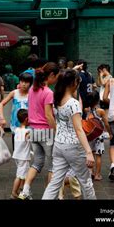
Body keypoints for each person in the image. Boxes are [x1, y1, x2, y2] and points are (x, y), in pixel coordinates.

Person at [42, 69, 96, 200]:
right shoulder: (73, 103)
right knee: (86, 182)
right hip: (73, 146)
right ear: (73, 83)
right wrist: (89, 152)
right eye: (78, 82)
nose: (79, 84)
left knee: (54, 183)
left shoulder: (57, 100)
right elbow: (78, 129)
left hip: (59, 145)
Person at [18, 62, 59, 200]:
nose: (57, 79)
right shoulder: (48, 92)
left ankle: (25, 191)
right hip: (46, 132)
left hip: (33, 130)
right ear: (51, 75)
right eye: (56, 76)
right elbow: (48, 115)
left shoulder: (31, 90)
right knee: (53, 165)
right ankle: (49, 196)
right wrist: (56, 131)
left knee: (37, 163)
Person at [0, 72, 33, 149]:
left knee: (25, 149)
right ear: (19, 82)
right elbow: (1, 104)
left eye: (26, 82)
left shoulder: (32, 94)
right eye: (22, 81)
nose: (23, 84)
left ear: (30, 84)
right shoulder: (14, 93)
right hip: (15, 125)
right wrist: (1, 117)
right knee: (16, 149)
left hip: (28, 125)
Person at [85, 91, 111, 181]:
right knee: (98, 155)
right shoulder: (101, 111)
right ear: (97, 101)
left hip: (90, 135)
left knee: (91, 153)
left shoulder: (86, 110)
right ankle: (97, 174)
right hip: (99, 136)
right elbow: (106, 124)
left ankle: (90, 172)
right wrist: (110, 133)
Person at [11, 109, 31, 199]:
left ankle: (21, 190)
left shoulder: (17, 130)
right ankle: (14, 193)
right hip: (23, 157)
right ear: (27, 119)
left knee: (23, 174)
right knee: (19, 176)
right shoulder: (26, 132)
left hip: (17, 156)